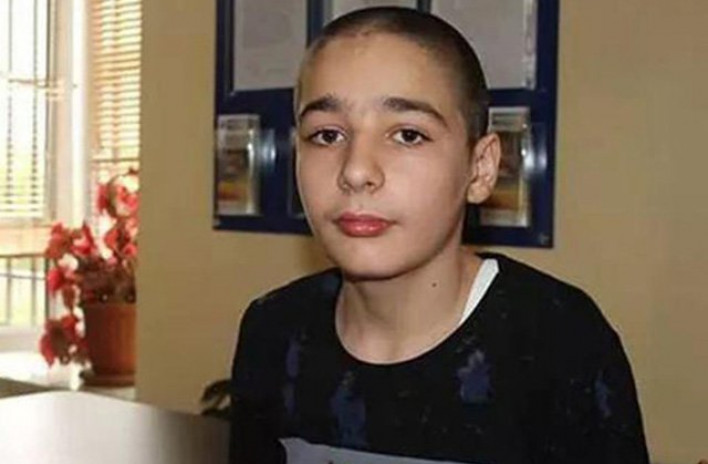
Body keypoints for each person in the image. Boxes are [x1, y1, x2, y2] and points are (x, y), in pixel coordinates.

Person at [230, 7, 649, 464]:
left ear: (480, 168)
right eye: (327, 135)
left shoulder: (557, 342)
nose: (356, 170)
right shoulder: (274, 331)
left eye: (408, 135)